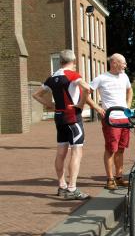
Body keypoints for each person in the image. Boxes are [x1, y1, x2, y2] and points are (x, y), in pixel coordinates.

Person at [32, 49, 91, 200]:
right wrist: (80, 104)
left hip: (58, 117)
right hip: (72, 117)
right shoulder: (72, 74)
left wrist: (51, 105)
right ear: (74, 61)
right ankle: (72, 188)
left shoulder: (52, 77)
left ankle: (62, 186)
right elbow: (87, 89)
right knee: (76, 152)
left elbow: (36, 94)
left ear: (60, 61)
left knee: (61, 152)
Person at [87, 53, 133, 190]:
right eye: (123, 63)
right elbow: (85, 93)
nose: (125, 65)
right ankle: (110, 179)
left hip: (124, 117)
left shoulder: (124, 76)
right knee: (110, 149)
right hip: (111, 118)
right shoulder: (101, 78)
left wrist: (128, 105)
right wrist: (97, 108)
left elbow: (130, 90)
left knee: (121, 149)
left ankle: (119, 177)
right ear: (114, 63)